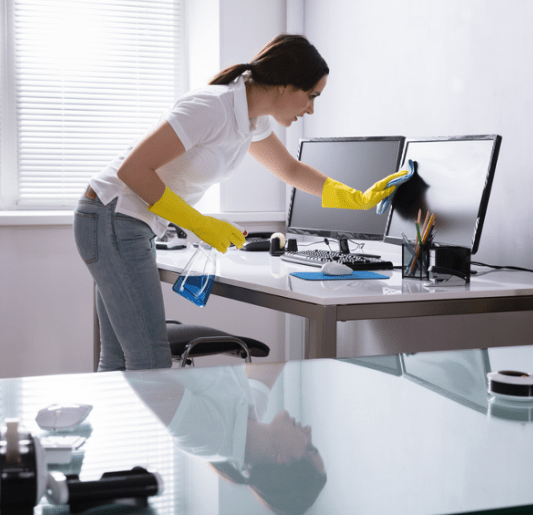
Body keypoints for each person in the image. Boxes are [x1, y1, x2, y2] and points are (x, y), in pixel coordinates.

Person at [73, 34, 408, 371]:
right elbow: (134, 170)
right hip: (112, 216)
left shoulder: (250, 119)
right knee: (149, 359)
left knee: (120, 358)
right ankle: (154, 426)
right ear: (283, 85)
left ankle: (124, 424)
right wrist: (200, 224)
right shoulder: (211, 107)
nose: (311, 109)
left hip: (119, 221)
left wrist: (358, 198)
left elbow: (290, 169)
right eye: (310, 96)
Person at [124, 363, 327, 514]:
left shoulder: (209, 436)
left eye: (310, 448)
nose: (309, 430)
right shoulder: (253, 412)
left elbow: (137, 369)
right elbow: (280, 349)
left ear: (283, 460)